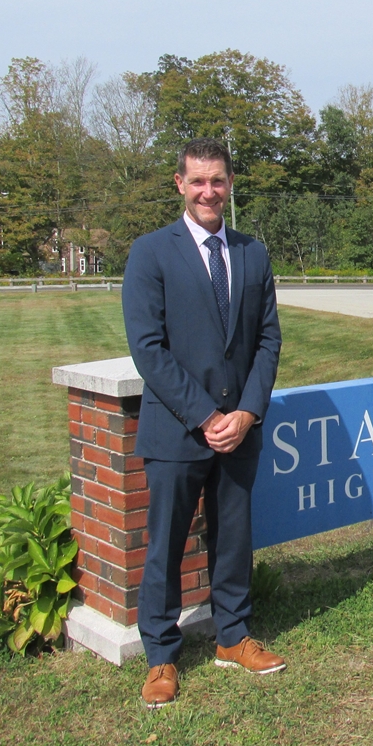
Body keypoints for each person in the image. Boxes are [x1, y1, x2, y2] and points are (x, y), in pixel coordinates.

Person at [122, 137, 284, 708]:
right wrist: (206, 414)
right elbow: (148, 348)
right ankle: (160, 655)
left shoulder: (253, 253)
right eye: (198, 181)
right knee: (164, 545)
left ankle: (232, 636)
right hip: (177, 431)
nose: (208, 191)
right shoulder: (150, 253)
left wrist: (245, 411)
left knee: (234, 539)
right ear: (180, 184)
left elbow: (267, 339)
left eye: (217, 180)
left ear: (230, 184)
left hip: (239, 430)